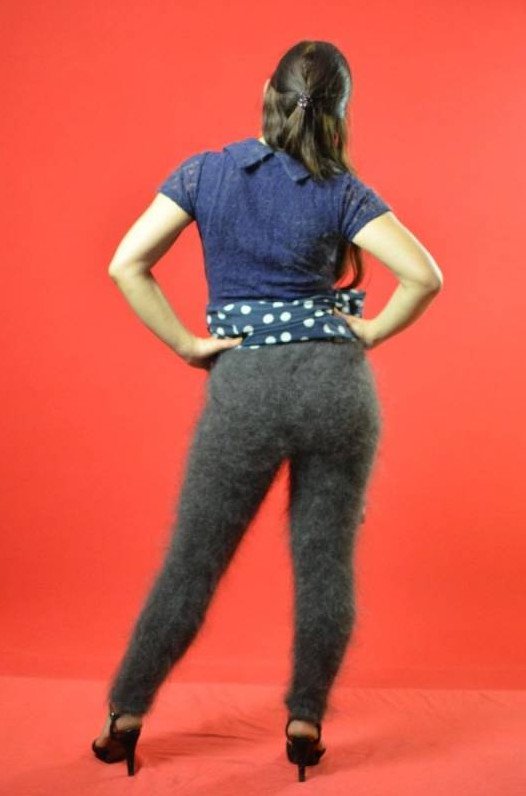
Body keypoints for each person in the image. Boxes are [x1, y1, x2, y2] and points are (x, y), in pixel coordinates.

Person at [91, 40, 443, 781]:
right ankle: (305, 721)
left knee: (192, 563)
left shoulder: (205, 173)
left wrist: (188, 344)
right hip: (336, 390)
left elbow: (127, 263)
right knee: (325, 566)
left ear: (267, 92)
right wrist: (372, 331)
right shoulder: (343, 191)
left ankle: (125, 716)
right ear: (338, 114)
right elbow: (423, 276)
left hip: (244, 388)